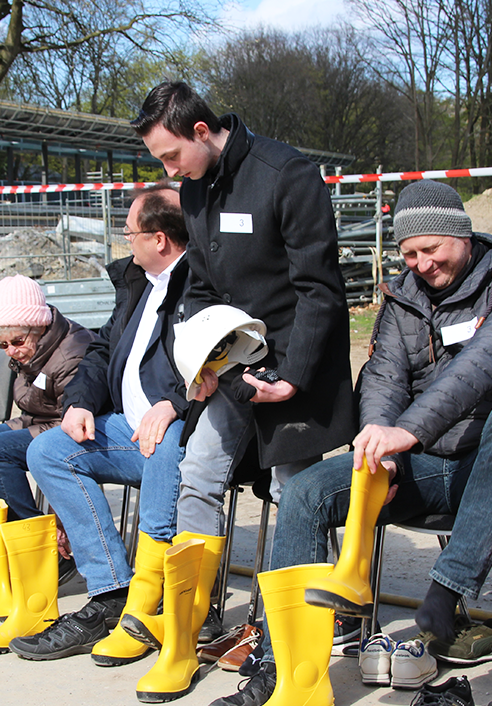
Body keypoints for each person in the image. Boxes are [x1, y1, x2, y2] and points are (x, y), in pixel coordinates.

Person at [207, 180, 492, 706]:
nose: (421, 263)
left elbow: (478, 369)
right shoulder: (403, 301)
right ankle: (286, 670)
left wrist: (407, 433)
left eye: (431, 249)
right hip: (426, 462)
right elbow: (385, 376)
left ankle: (447, 592)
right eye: (409, 253)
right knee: (303, 492)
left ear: (461, 235)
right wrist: (378, 437)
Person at [131, 81, 354, 556]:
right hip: (233, 367)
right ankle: (196, 607)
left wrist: (293, 377)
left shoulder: (287, 175)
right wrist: (204, 361)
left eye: (172, 155)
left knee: (293, 491)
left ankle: (318, 615)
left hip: (294, 367)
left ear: (200, 130)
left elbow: (320, 289)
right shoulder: (192, 191)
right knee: (197, 473)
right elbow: (202, 286)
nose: (168, 171)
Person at [11, 184, 196, 661]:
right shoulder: (138, 284)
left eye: (131, 232)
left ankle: (148, 603)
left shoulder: (200, 283)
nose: (125, 242)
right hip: (127, 431)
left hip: (183, 433)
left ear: (159, 239)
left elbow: (216, 362)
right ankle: (112, 591)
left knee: (164, 437)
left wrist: (174, 402)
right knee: (47, 450)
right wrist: (80, 403)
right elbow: (100, 351)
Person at [0, 274, 93, 571]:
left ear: (39, 326)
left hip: (71, 428)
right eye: (2, 344)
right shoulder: (31, 348)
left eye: (16, 342)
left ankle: (39, 547)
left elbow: (71, 424)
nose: (10, 351)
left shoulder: (71, 352)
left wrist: (59, 510)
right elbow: (35, 409)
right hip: (40, 420)